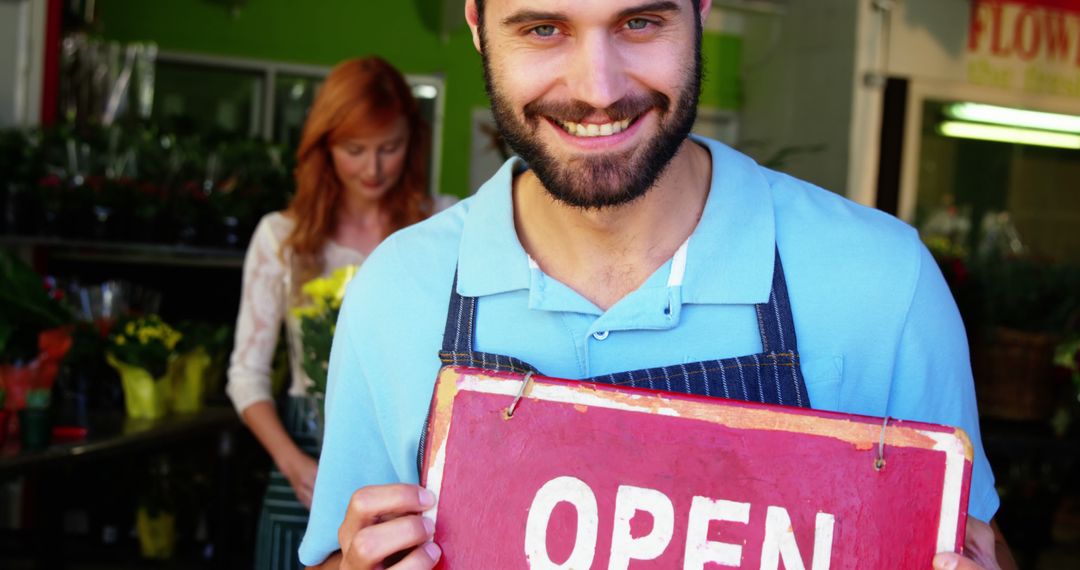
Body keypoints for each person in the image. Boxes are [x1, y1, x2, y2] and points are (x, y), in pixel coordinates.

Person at [300, 2, 1013, 569]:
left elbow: (979, 542)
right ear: (478, 26)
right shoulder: (396, 290)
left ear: (702, 11)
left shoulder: (883, 284)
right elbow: (337, 552)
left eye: (640, 23)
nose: (597, 90)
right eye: (543, 29)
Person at [226, 56, 441, 570]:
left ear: (412, 142)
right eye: (354, 150)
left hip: (412, 466)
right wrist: (291, 461)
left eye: (390, 148)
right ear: (323, 147)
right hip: (304, 460)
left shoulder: (440, 229)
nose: (373, 168)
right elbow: (246, 376)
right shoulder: (281, 238)